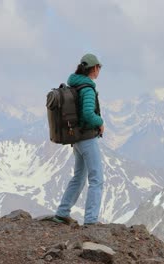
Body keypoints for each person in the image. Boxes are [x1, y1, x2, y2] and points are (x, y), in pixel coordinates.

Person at [53, 53, 105, 225]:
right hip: (87, 138)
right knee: (96, 178)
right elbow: (89, 114)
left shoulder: (74, 84)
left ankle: (62, 212)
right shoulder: (88, 89)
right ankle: (91, 220)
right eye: (99, 68)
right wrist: (100, 122)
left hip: (76, 138)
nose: (99, 71)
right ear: (94, 68)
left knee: (79, 177)